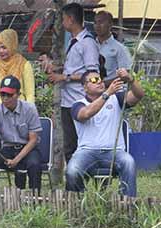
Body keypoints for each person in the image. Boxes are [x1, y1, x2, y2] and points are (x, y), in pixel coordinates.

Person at [65, 69, 144, 197]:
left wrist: (131, 80)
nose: (100, 82)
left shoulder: (116, 99)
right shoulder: (78, 105)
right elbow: (86, 114)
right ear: (85, 87)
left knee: (129, 163)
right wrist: (107, 93)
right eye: (94, 80)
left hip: (114, 152)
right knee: (72, 171)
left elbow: (139, 95)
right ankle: (77, 203)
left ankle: (127, 204)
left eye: (101, 79)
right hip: (86, 152)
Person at [48, 3, 100, 162]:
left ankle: (79, 180)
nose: (62, 23)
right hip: (68, 101)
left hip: (80, 101)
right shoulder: (74, 41)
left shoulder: (87, 43)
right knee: (69, 144)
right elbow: (77, 67)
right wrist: (59, 69)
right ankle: (73, 179)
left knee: (79, 144)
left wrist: (64, 77)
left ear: (71, 20)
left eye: (63, 19)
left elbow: (93, 74)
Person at [0, 75, 43, 190]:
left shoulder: (30, 109)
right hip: (7, 149)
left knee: (34, 165)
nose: (5, 98)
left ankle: (35, 202)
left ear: (18, 94)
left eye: (9, 95)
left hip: (28, 149)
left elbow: (33, 140)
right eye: (3, 94)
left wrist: (16, 160)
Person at [0, 29, 35, 132]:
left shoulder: (24, 65)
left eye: (4, 47)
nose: (1, 51)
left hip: (17, 115)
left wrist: (30, 115)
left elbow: (30, 94)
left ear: (12, 45)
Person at [94, 11, 132, 86]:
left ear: (110, 24)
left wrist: (104, 84)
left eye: (101, 22)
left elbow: (125, 75)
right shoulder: (90, 46)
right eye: (95, 22)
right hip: (91, 91)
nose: (98, 26)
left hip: (113, 92)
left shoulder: (119, 48)